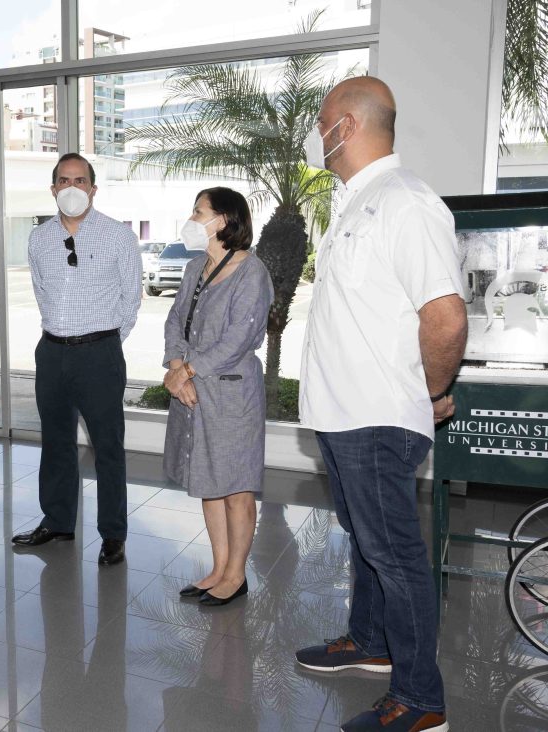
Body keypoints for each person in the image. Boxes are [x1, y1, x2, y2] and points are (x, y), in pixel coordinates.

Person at [296, 76, 466, 732]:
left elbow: (445, 317)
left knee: (394, 554)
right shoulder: (355, 202)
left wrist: (429, 394)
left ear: (346, 125)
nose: (318, 135)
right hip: (342, 413)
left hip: (375, 416)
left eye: (322, 123)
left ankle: (422, 701)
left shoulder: (405, 201)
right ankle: (370, 641)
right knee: (367, 540)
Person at [11, 153, 142, 566]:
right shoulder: (39, 238)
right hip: (52, 352)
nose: (72, 188)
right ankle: (58, 521)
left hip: (99, 353)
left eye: (80, 180)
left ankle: (113, 534)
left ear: (93, 188)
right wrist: (61, 336)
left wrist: (104, 342)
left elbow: (131, 299)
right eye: (64, 180)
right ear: (53, 189)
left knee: (108, 447)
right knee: (56, 442)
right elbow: (40, 290)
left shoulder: (118, 236)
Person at [162, 187, 273, 607]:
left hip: (232, 395)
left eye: (198, 211)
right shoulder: (196, 268)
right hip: (192, 391)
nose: (191, 218)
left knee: (236, 488)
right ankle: (219, 568)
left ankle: (236, 575)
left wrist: (186, 371)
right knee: (209, 482)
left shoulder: (251, 273)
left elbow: (238, 339)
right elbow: (175, 322)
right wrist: (177, 369)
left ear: (223, 220)